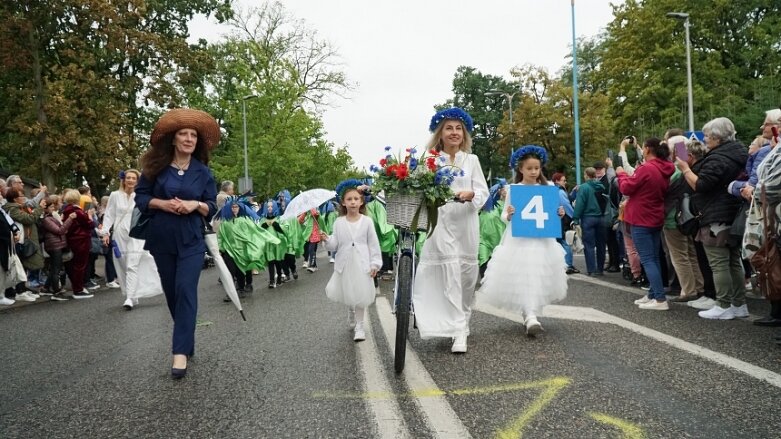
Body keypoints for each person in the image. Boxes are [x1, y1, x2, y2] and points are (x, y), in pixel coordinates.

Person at [134, 108, 219, 379]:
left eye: (193, 135)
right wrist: (163, 204)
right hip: (162, 238)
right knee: (172, 293)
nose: (188, 138)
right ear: (173, 139)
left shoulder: (203, 172)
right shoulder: (155, 169)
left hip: (192, 239)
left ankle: (179, 352)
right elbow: (141, 198)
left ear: (198, 142)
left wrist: (195, 204)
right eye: (183, 134)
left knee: (185, 289)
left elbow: (211, 207)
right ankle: (187, 339)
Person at [412, 107, 489, 354]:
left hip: (466, 222)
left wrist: (472, 194)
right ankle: (457, 330)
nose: (454, 132)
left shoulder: (472, 160)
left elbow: (483, 191)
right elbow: (419, 189)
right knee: (448, 273)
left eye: (458, 128)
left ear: (463, 133)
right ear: (440, 133)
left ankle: (463, 321)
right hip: (441, 221)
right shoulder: (431, 161)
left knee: (466, 276)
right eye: (449, 128)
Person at [479, 146, 568, 335]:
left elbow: (552, 213)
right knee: (524, 274)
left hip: (542, 241)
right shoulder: (514, 189)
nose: (534, 172)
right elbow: (504, 215)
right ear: (521, 169)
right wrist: (509, 214)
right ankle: (529, 316)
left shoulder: (548, 188)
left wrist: (559, 213)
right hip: (519, 240)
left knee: (537, 275)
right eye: (530, 168)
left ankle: (531, 312)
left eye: (537, 168)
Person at [675, 117, 748, 320]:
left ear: (716, 137)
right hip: (732, 211)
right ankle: (739, 303)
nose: (704, 139)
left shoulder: (717, 158)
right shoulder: (739, 153)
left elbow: (701, 185)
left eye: (706, 136)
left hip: (716, 214)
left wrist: (685, 169)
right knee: (733, 261)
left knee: (718, 263)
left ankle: (723, 303)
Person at [617, 138, 675, 310]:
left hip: (641, 217)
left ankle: (659, 299)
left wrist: (621, 174)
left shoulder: (647, 168)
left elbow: (627, 188)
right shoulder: (664, 167)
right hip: (655, 216)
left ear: (648, 149)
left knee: (648, 259)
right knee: (654, 257)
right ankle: (653, 293)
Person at [321, 180, 382, 342]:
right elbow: (335, 244)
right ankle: (351, 310)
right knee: (349, 291)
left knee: (361, 294)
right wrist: (327, 240)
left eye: (356, 199)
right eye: (349, 199)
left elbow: (373, 244)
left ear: (361, 202)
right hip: (346, 263)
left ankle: (360, 326)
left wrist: (375, 263)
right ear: (343, 202)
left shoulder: (367, 221)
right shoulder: (339, 222)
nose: (353, 202)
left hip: (363, 263)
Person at [98, 169, 163, 310]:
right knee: (122, 265)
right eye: (128, 178)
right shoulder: (115, 195)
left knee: (131, 265)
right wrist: (105, 233)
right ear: (124, 179)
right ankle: (132, 294)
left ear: (138, 181)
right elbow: (109, 215)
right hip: (120, 233)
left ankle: (129, 298)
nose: (131, 180)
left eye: (134, 178)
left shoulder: (141, 195)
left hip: (137, 233)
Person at [62, 189, 96, 299]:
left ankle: (78, 286)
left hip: (72, 240)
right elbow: (90, 224)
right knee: (80, 265)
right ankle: (78, 290)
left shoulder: (66, 210)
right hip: (81, 240)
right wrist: (90, 215)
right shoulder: (78, 211)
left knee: (74, 265)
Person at [572, 167, 606, 276]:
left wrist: (576, 218)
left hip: (588, 218)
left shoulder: (584, 187)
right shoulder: (602, 186)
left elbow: (580, 204)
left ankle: (591, 269)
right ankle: (600, 269)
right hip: (602, 218)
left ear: (586, 175)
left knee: (589, 245)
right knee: (601, 244)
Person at [41, 195, 76, 301]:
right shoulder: (46, 219)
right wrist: (69, 219)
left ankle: (46, 288)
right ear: (45, 208)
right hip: (54, 246)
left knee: (54, 269)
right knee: (56, 269)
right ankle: (56, 292)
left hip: (56, 245)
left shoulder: (51, 217)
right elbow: (60, 231)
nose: (53, 208)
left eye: (53, 206)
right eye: (51, 207)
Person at [552, 173, 578, 274]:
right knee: (565, 242)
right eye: (563, 180)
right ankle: (568, 264)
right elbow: (566, 205)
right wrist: (574, 217)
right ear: (557, 181)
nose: (565, 182)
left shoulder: (553, 190)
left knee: (558, 241)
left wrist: (573, 192)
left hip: (556, 220)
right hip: (562, 220)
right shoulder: (560, 192)